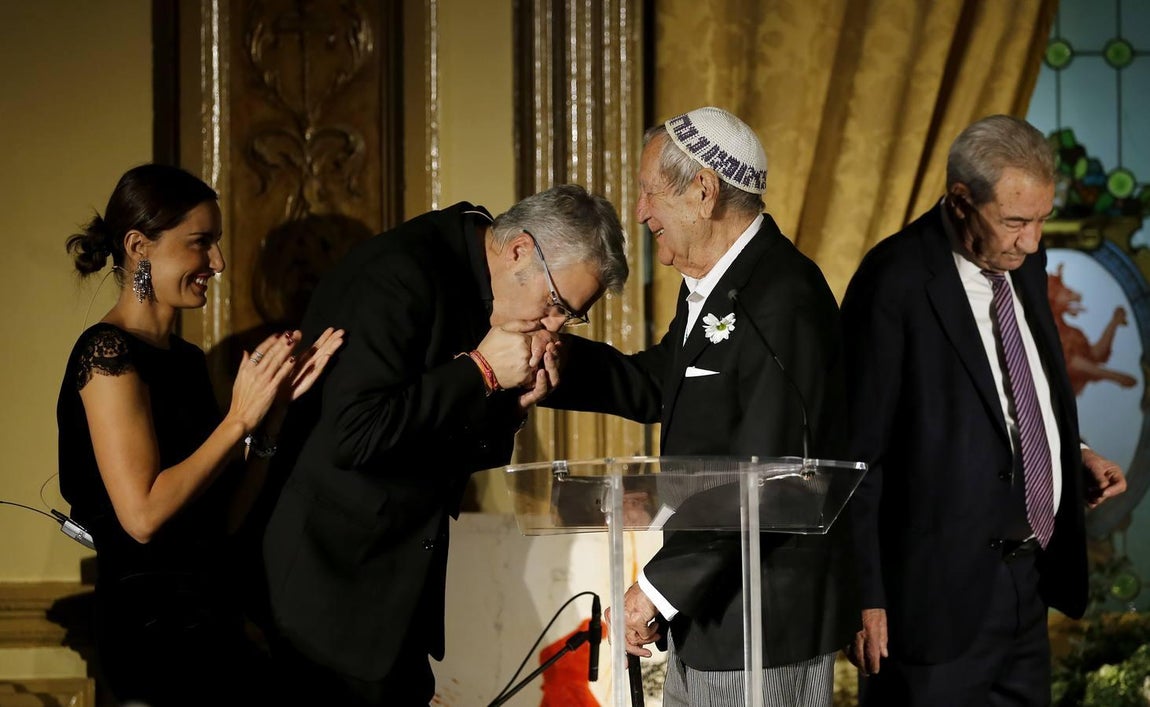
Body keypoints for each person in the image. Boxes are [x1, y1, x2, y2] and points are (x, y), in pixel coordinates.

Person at [259, 184, 629, 705]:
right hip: (324, 605)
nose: (554, 327)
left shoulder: (493, 285)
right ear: (520, 249)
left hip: (397, 609)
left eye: (571, 315)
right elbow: (354, 435)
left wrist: (509, 405)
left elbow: (435, 450)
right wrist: (479, 372)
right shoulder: (400, 274)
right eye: (555, 305)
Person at [545, 106, 856, 705]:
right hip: (714, 614)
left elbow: (765, 476)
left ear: (705, 192)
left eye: (649, 193)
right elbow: (659, 384)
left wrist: (661, 589)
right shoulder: (720, 288)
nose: (640, 213)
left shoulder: (780, 299)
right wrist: (552, 360)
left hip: (764, 624)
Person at [840, 114, 1128, 706]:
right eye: (1017, 222)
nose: (1032, 241)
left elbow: (1021, 392)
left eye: (1042, 220)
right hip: (929, 605)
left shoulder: (1022, 265)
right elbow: (855, 454)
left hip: (1025, 585)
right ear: (961, 200)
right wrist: (863, 595)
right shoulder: (893, 281)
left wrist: (1071, 454)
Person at [57, 164, 344, 706]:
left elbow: (222, 521)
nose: (218, 262)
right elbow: (142, 518)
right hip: (153, 633)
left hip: (211, 618)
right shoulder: (106, 352)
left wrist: (271, 418)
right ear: (139, 246)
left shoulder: (186, 361)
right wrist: (238, 418)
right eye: (200, 243)